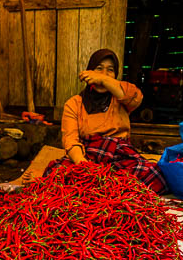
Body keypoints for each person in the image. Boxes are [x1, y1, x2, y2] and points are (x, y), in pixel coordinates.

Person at [59, 48, 166, 193]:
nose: (104, 74)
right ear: (89, 72)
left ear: (115, 75)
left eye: (110, 70)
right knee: (59, 177)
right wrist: (83, 165)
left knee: (154, 175)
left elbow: (136, 97)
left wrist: (103, 79)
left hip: (120, 156)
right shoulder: (74, 104)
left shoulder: (121, 97)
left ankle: (107, 190)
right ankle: (109, 190)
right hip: (88, 156)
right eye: (98, 69)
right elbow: (70, 140)